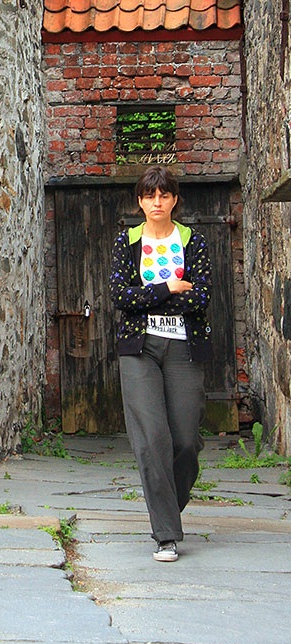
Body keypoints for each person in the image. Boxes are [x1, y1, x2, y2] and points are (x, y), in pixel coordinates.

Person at [110, 165, 212, 562]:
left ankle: (167, 506)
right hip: (140, 350)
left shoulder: (193, 242)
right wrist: (168, 287)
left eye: (164, 195)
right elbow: (121, 295)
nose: (157, 202)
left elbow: (201, 297)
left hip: (184, 347)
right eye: (150, 195)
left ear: (174, 200)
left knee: (186, 441)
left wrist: (146, 294)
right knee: (152, 439)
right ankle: (166, 534)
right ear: (140, 201)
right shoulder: (127, 241)